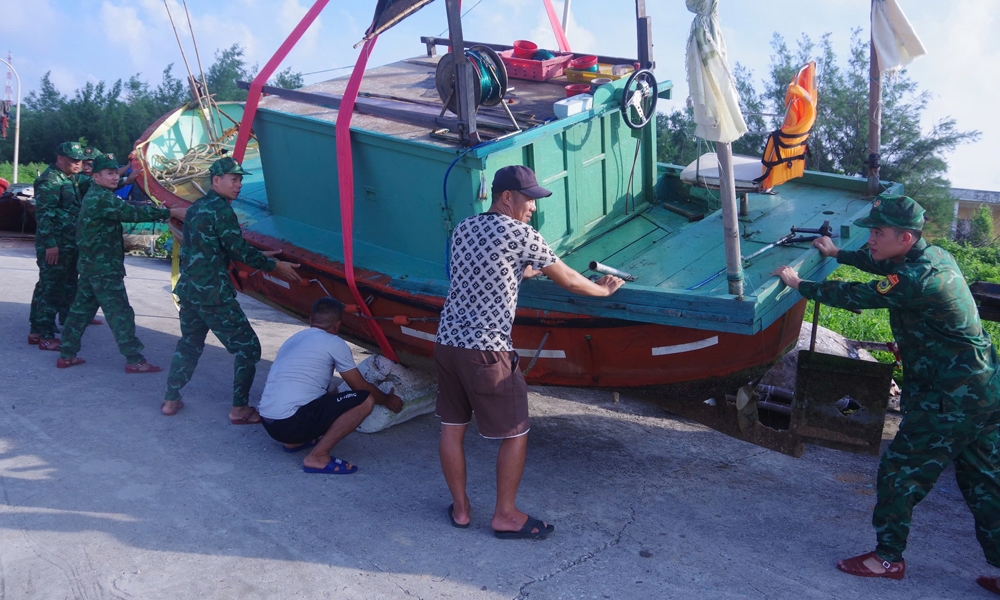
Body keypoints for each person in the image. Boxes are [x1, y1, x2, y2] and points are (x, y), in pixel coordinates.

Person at [773, 194, 1000, 591]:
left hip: (950, 397)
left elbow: (859, 296)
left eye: (878, 232)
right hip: (982, 389)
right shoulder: (933, 257)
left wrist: (799, 284)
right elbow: (880, 265)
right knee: (984, 481)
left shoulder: (917, 278)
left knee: (900, 474)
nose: (872, 239)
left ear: (906, 237)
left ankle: (887, 559)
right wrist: (839, 253)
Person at [435, 165, 624, 539]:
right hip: (487, 352)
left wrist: (530, 268)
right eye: (530, 199)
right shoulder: (521, 233)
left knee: (452, 427)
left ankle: (460, 509)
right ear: (508, 197)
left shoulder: (464, 228)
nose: (534, 207)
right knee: (516, 430)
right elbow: (570, 279)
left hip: (446, 343)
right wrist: (602, 290)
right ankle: (505, 515)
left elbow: (493, 269)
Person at [162, 157, 302, 422]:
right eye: (234, 179)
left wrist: (260, 252)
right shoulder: (222, 210)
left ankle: (171, 399)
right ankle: (239, 409)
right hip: (212, 294)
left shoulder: (197, 207)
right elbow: (237, 249)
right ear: (217, 180)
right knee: (248, 348)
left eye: (241, 180)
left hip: (189, 290)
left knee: (189, 344)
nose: (239, 185)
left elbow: (221, 245)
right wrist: (275, 265)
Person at [55, 153, 187, 372]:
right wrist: (170, 211)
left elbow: (118, 199)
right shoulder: (102, 199)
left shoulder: (96, 193)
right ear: (96, 176)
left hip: (91, 265)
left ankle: (66, 354)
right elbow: (131, 213)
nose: (115, 177)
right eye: (110, 173)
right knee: (120, 314)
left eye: (116, 173)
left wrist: (128, 178)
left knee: (80, 312)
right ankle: (134, 360)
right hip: (104, 267)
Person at [258, 297, 404, 473]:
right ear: (337, 325)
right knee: (365, 400)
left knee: (331, 395)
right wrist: (388, 400)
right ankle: (317, 456)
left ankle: (294, 442)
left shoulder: (294, 339)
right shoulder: (334, 342)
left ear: (311, 320)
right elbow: (360, 387)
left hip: (270, 423)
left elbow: (304, 382)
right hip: (291, 423)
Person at [29, 141, 88, 350]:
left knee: (52, 285)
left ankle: (36, 329)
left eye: (79, 159)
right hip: (55, 245)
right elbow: (44, 215)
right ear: (60, 158)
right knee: (51, 288)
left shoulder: (70, 178)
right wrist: (50, 245)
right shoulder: (50, 180)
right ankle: (45, 335)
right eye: (73, 159)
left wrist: (128, 172)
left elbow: (97, 180)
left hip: (68, 243)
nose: (77, 163)